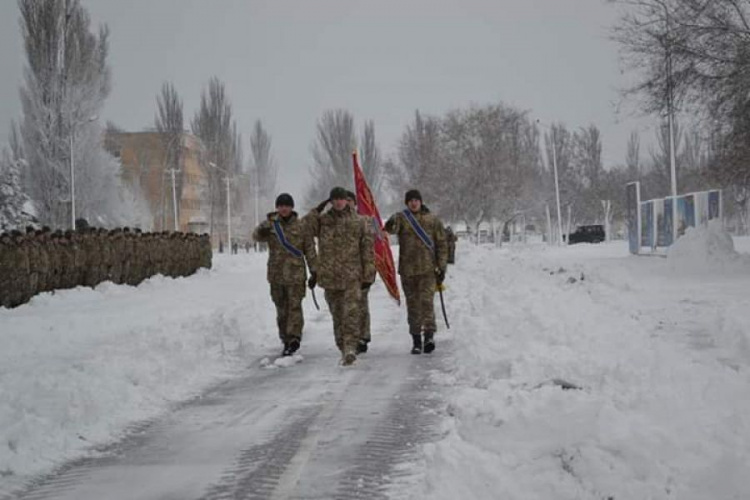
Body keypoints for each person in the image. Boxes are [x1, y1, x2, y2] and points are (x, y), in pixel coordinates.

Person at [306, 187, 375, 365]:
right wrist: (317, 209)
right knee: (338, 317)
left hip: (352, 276)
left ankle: (351, 348)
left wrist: (369, 274)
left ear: (347, 200)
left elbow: (367, 249)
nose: (338, 202)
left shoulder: (359, 221)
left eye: (341, 199)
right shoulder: (323, 221)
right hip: (330, 278)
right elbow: (302, 227)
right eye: (334, 199)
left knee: (351, 314)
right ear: (331, 201)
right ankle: (343, 347)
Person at [253, 193, 318, 356]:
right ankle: (285, 338)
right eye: (280, 206)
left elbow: (310, 250)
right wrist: (264, 226)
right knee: (281, 309)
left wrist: (315, 271)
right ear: (277, 207)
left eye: (286, 206)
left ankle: (294, 338)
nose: (283, 209)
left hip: (296, 275)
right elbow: (256, 237)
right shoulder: (271, 225)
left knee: (294, 307)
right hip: (276, 275)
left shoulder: (302, 226)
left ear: (292, 207)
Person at [385, 189, 447, 355]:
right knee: (413, 306)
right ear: (407, 203)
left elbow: (441, 244)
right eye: (410, 200)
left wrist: (442, 267)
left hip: (428, 270)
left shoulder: (432, 220)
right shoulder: (402, 218)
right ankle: (416, 341)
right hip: (408, 271)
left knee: (426, 303)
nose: (413, 203)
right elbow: (390, 229)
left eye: (416, 200)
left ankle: (429, 337)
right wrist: (391, 221)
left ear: (421, 201)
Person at [345, 190, 375, 354]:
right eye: (345, 200)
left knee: (361, 305)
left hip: (360, 271)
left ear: (355, 204)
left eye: (350, 200)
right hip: (343, 273)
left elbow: (369, 248)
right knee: (347, 308)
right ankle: (351, 337)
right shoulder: (336, 222)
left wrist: (369, 272)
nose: (348, 203)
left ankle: (363, 336)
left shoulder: (363, 221)